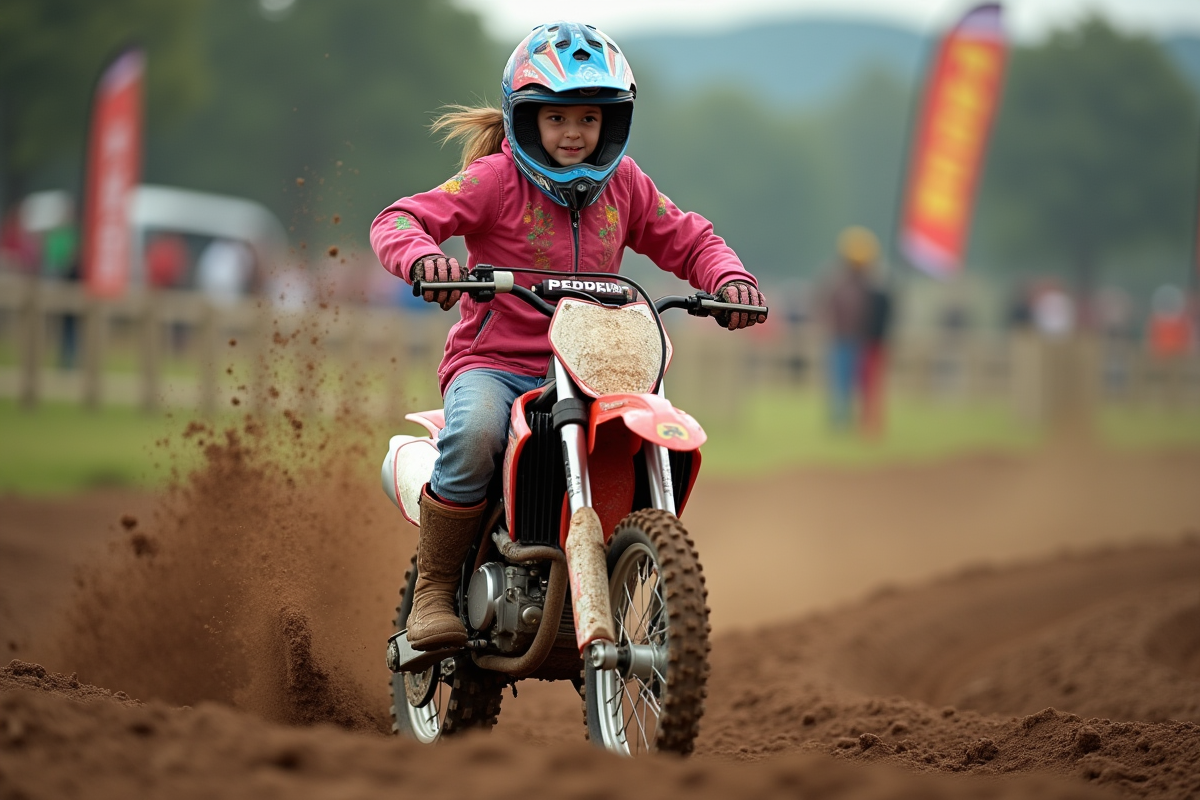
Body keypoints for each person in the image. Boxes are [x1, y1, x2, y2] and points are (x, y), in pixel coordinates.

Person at [370, 21, 766, 652]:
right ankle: (436, 591)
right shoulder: (494, 180)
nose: (573, 133)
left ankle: (632, 570)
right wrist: (426, 260)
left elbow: (690, 238)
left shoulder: (626, 184)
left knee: (650, 434)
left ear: (614, 121)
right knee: (475, 434)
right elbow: (400, 219)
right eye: (556, 117)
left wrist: (730, 279)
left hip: (596, 366)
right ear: (526, 119)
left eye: (589, 117)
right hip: (495, 363)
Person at [818, 226, 877, 430]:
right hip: (839, 340)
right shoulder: (838, 284)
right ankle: (839, 421)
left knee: (857, 384)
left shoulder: (866, 287)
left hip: (858, 341)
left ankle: (853, 420)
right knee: (839, 383)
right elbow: (825, 307)